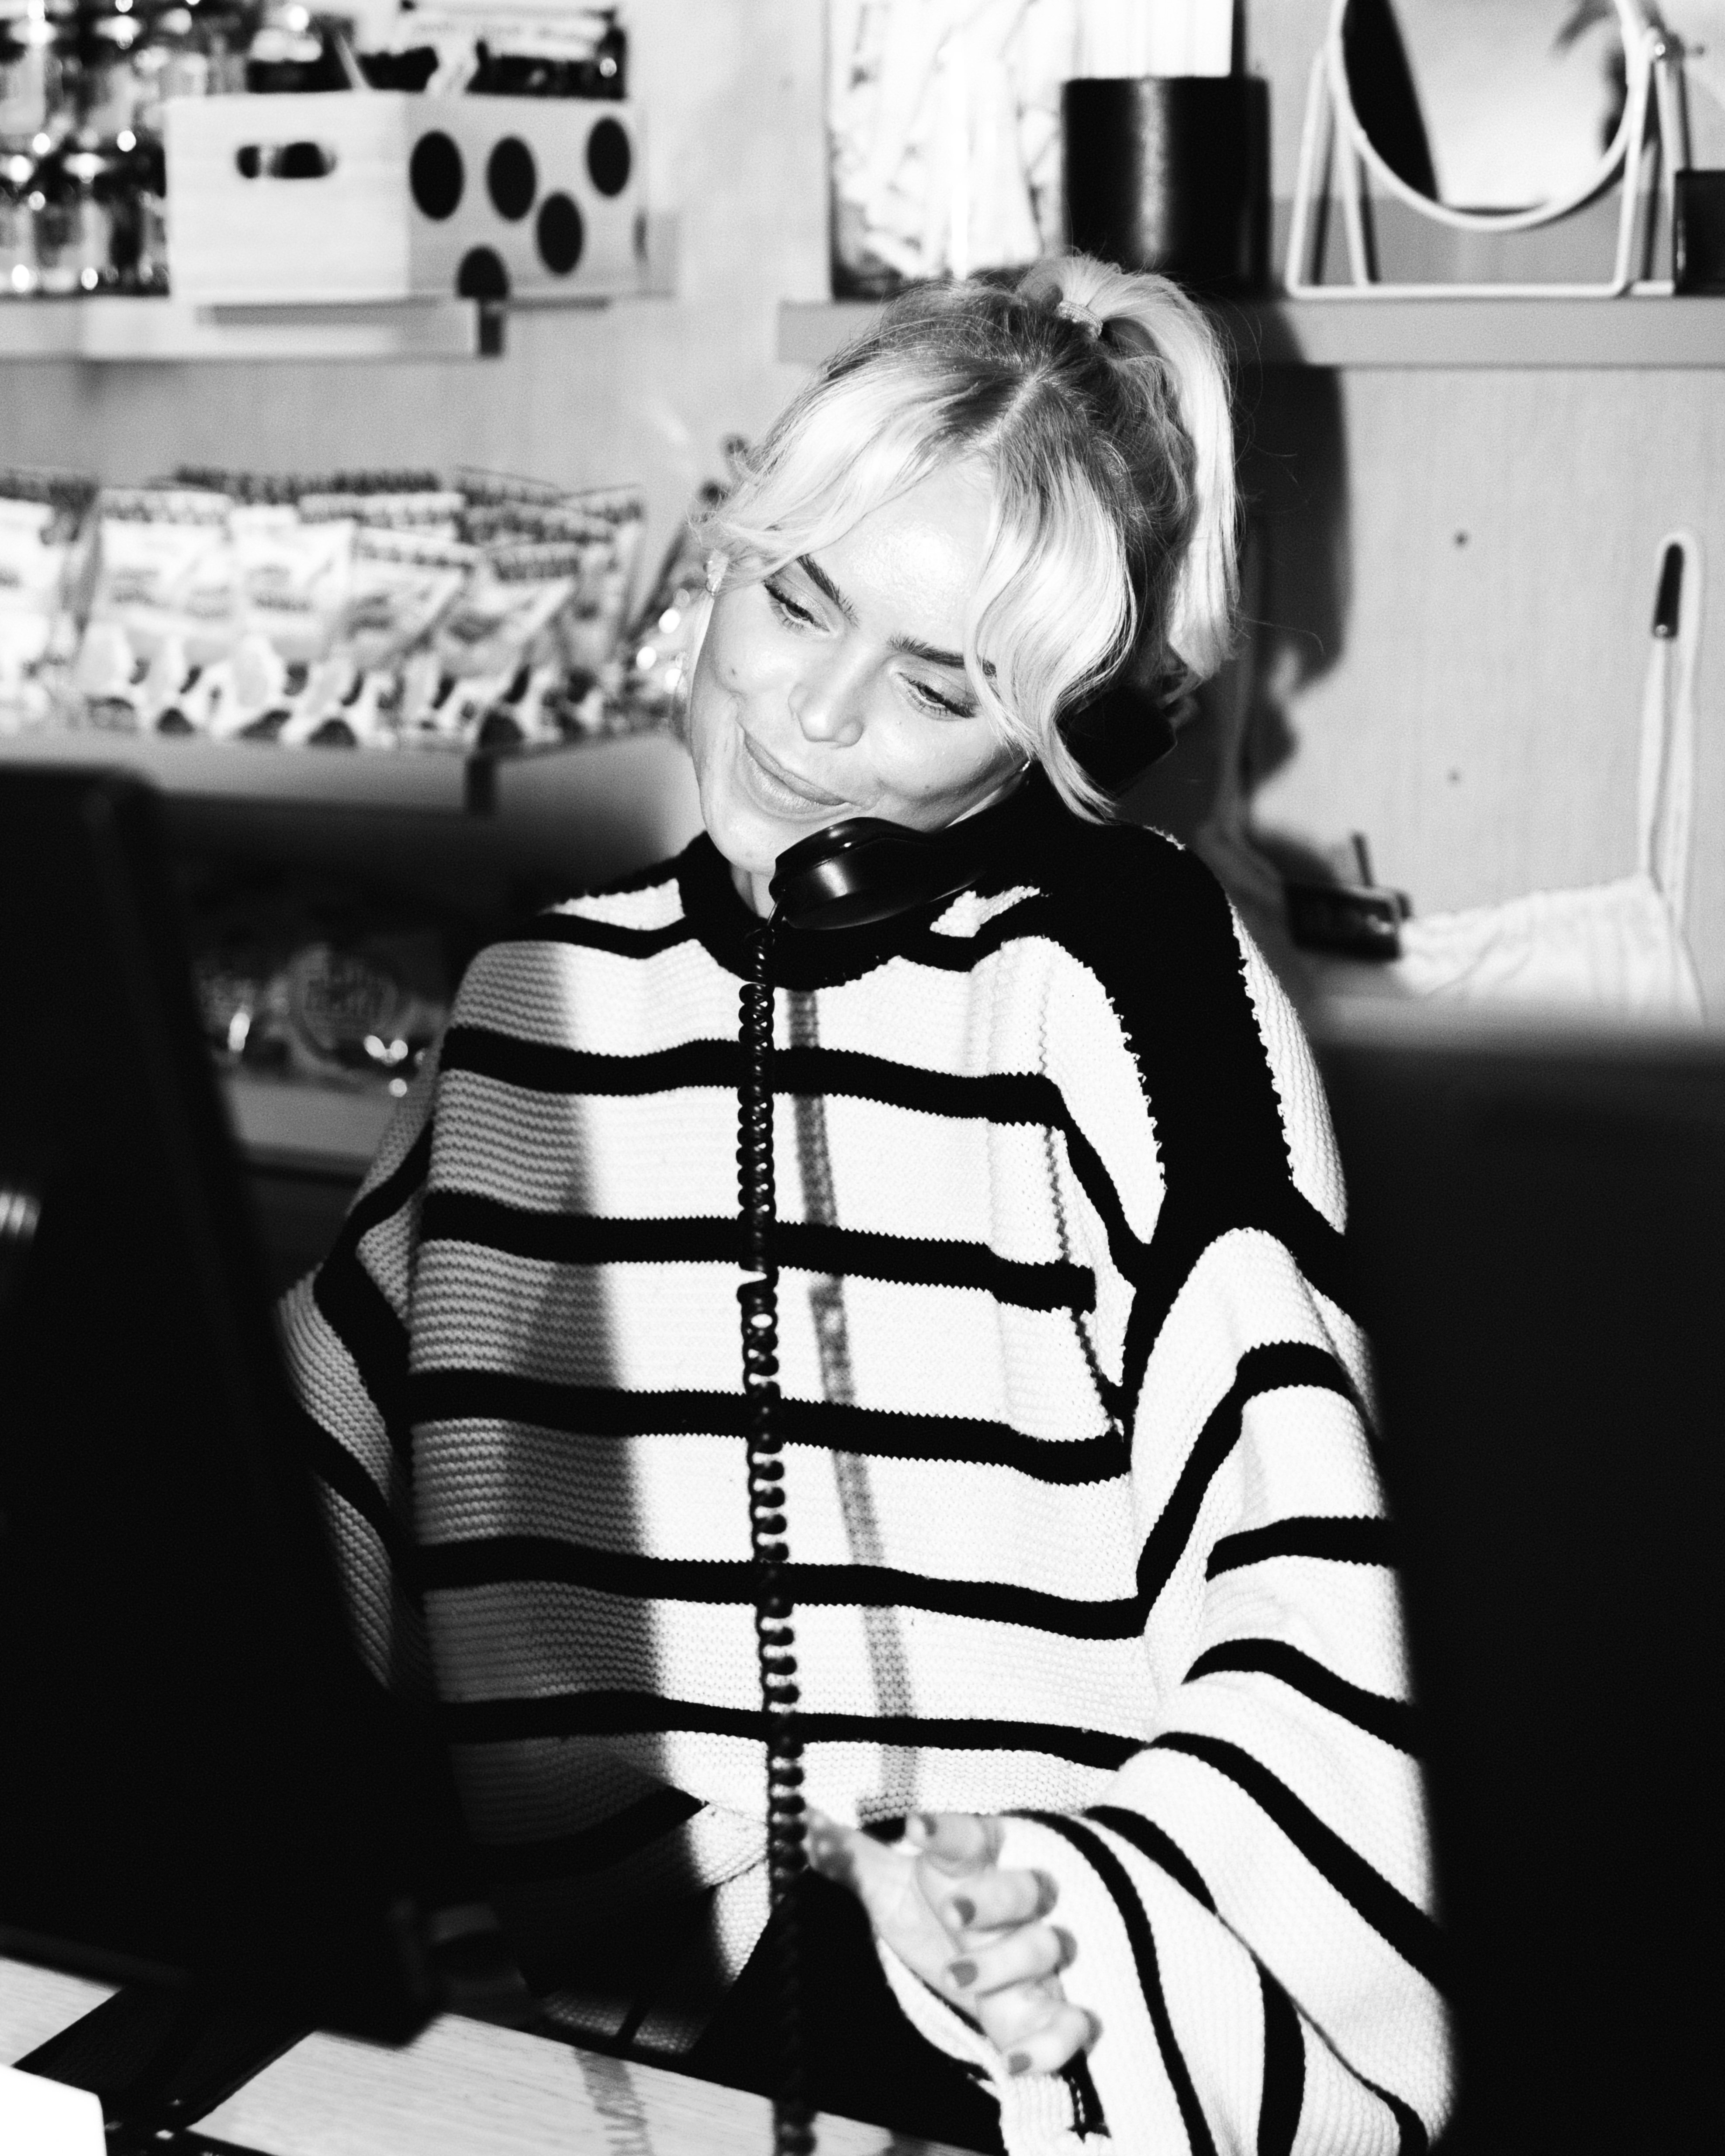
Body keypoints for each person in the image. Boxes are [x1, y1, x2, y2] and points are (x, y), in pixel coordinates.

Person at [281, 254, 1452, 2155]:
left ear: (1065, 741)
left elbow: (1304, 1613)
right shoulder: (538, 1004)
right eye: (794, 595)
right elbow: (271, 1506)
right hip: (561, 2067)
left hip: (997, 2053)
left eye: (934, 685)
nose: (813, 716)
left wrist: (1018, 1915)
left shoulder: (1132, 983)